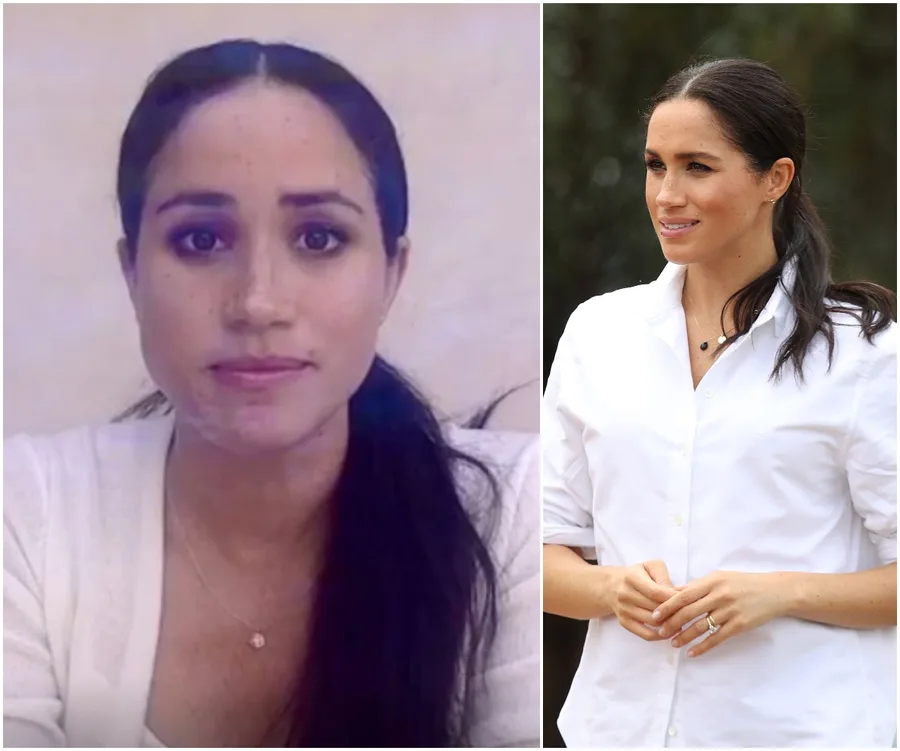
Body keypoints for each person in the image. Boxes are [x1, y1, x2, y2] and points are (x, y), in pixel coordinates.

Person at [4, 39, 540, 748]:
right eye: (200, 240)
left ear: (391, 271)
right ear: (132, 272)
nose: (258, 301)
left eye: (318, 237)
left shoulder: (518, 517)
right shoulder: (31, 514)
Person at [542, 57, 897, 747]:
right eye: (655, 165)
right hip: (618, 730)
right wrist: (611, 589)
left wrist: (780, 592)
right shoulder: (598, 332)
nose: (667, 194)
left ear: (776, 179)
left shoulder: (865, 355)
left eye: (697, 166)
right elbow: (542, 556)